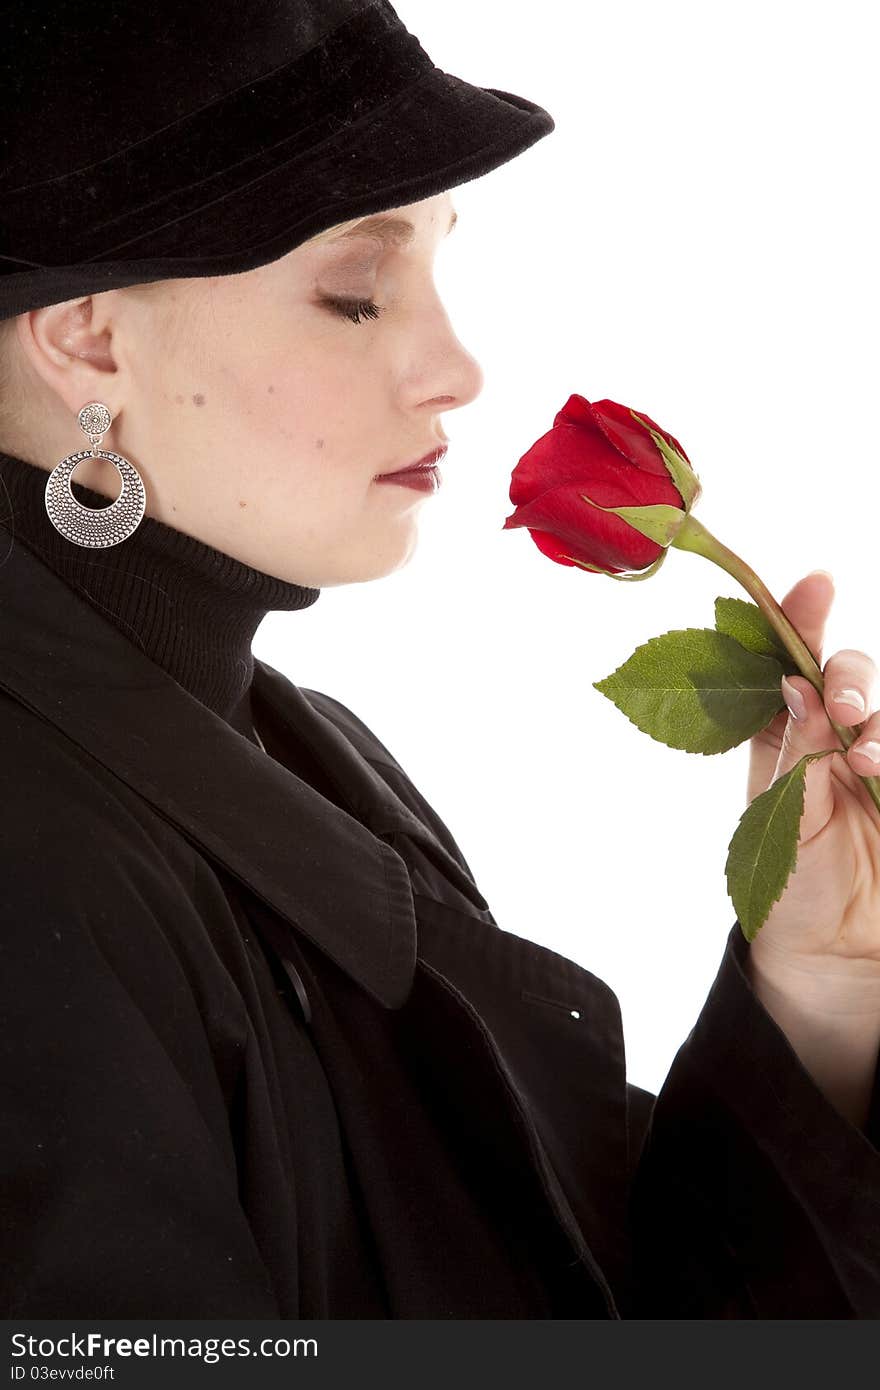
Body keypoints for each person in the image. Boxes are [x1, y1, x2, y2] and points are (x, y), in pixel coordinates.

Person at [1, 0, 878, 1320]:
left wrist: (812, 992)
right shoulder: (29, 870)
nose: (458, 369)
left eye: (438, 267)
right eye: (356, 294)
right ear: (87, 336)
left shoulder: (309, 751)